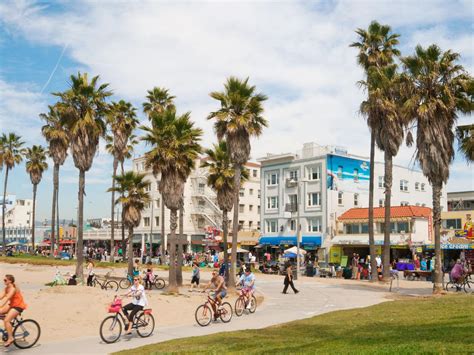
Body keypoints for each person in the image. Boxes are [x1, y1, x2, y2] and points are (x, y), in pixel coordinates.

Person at [0, 275, 27, 347]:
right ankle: (9, 325)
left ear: (10, 281)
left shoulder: (13, 289)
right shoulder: (6, 288)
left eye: (5, 280)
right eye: (4, 280)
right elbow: (0, 296)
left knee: (6, 320)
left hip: (18, 306)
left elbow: (6, 298)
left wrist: (1, 305)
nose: (4, 281)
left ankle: (11, 338)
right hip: (12, 305)